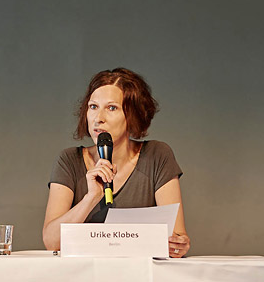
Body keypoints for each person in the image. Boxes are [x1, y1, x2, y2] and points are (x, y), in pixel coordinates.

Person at [43, 68, 190, 257]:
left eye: (111, 108)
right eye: (93, 107)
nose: (98, 118)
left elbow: (177, 237)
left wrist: (177, 245)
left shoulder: (157, 156)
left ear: (133, 116)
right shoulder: (69, 160)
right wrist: (91, 198)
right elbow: (51, 243)